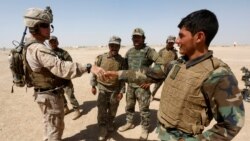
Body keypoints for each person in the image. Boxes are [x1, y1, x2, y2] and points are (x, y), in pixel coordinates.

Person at [102, 9, 245, 141]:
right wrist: (117, 74)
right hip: (163, 133)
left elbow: (232, 123)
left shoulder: (218, 75)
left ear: (199, 37)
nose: (177, 41)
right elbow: (148, 73)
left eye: (181, 36)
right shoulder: (176, 64)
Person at [22, 7, 103, 141]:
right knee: (55, 130)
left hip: (44, 94)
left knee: (50, 124)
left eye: (49, 25)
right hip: (49, 96)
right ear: (35, 27)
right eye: (45, 25)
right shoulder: (38, 48)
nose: (49, 29)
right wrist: (88, 67)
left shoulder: (29, 45)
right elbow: (62, 68)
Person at [118, 28, 163, 140]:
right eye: (134, 37)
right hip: (130, 87)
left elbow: (161, 64)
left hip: (142, 87)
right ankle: (129, 123)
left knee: (144, 110)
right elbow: (125, 69)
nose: (136, 39)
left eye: (138, 37)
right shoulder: (129, 52)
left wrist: (150, 80)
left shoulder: (148, 51)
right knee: (129, 107)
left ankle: (145, 128)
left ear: (143, 38)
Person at [90, 36, 126, 140]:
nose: (114, 48)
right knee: (101, 109)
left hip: (115, 89)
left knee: (113, 109)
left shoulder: (122, 61)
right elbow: (94, 71)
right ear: (109, 46)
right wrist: (93, 86)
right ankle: (102, 127)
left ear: (119, 47)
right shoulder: (101, 57)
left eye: (116, 46)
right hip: (102, 88)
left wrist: (122, 91)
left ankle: (110, 123)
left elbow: (122, 77)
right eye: (112, 45)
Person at [48, 36, 81, 120]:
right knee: (60, 95)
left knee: (70, 94)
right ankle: (66, 108)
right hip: (55, 79)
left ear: (57, 42)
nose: (53, 44)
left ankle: (76, 109)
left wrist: (61, 64)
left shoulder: (63, 52)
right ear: (49, 44)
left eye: (54, 42)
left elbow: (70, 63)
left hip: (65, 78)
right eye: (51, 42)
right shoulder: (48, 53)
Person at [151, 35, 178, 100]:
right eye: (169, 42)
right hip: (161, 72)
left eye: (172, 43)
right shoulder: (161, 51)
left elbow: (176, 64)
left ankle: (166, 99)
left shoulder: (175, 52)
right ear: (166, 42)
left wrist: (174, 75)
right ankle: (152, 96)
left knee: (168, 87)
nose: (170, 44)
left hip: (169, 73)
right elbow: (156, 61)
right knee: (156, 86)